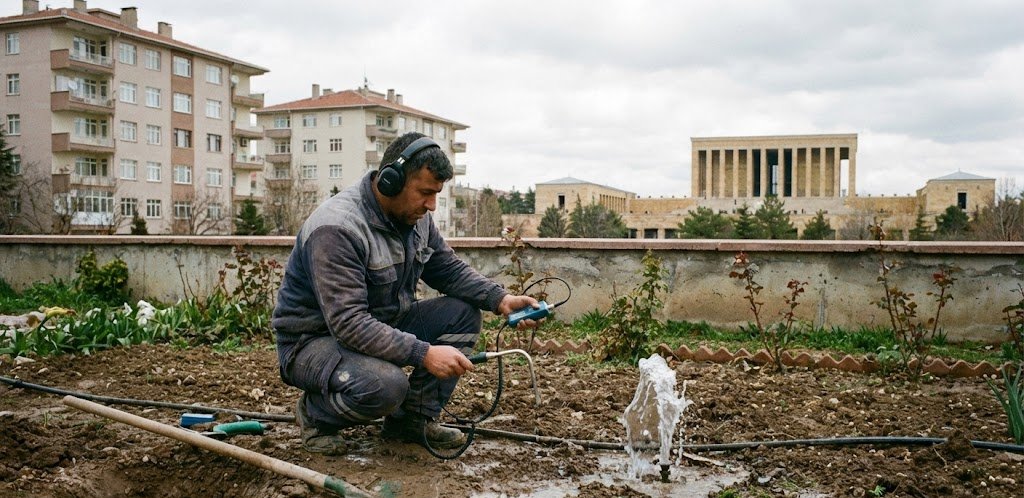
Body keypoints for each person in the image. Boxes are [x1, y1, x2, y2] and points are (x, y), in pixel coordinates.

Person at [272, 132, 539, 455]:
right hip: (313, 343)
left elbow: (447, 269)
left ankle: (410, 422)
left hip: (381, 324)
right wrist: (424, 353)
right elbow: (349, 324)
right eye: (425, 192)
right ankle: (315, 416)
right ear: (391, 181)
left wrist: (501, 300)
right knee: (386, 385)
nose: (431, 205)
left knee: (463, 313)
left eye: (436, 194)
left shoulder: (415, 219)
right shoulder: (338, 229)